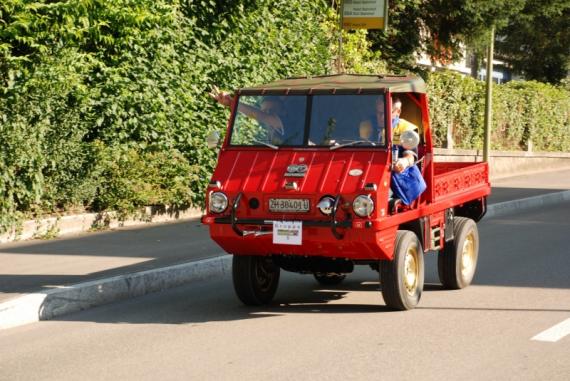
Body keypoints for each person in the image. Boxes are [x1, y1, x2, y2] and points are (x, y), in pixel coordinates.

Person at [209, 86, 285, 143]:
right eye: (264, 111)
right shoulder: (263, 134)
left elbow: (258, 115)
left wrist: (232, 102)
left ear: (283, 111)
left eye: (271, 111)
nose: (267, 114)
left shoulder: (288, 123)